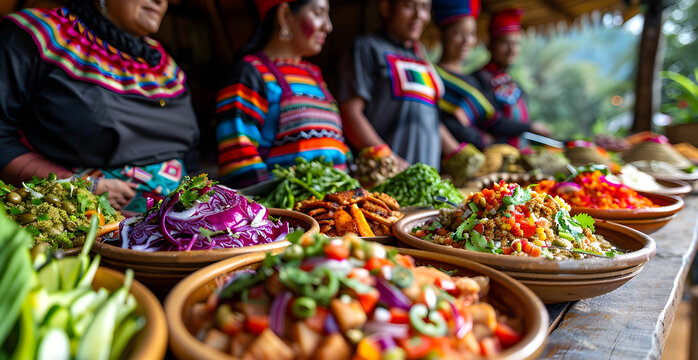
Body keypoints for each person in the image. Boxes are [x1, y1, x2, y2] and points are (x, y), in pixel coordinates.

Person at [0, 0, 199, 212]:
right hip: (84, 227)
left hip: (177, 227)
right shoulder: (39, 36)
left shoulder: (165, 66)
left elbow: (190, 154)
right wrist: (78, 187)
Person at [216, 0, 350, 189]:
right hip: (288, 212)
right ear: (284, 15)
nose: (328, 26)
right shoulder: (250, 73)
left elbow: (337, 144)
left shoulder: (315, 75)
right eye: (319, 13)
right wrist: (268, 211)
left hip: (338, 206)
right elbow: (238, 154)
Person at [339, 0, 466, 170]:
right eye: (409, 6)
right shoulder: (367, 47)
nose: (419, 16)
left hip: (425, 178)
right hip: (384, 180)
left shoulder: (421, 57)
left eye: (425, 7)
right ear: (385, 7)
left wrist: (458, 153)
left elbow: (429, 117)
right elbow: (350, 112)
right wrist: (388, 159)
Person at [471, 8, 549, 148]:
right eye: (505, 43)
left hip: (520, 159)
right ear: (490, 45)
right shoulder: (477, 80)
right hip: (494, 159)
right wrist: (529, 126)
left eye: (516, 43)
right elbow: (491, 120)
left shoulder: (515, 84)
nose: (512, 50)